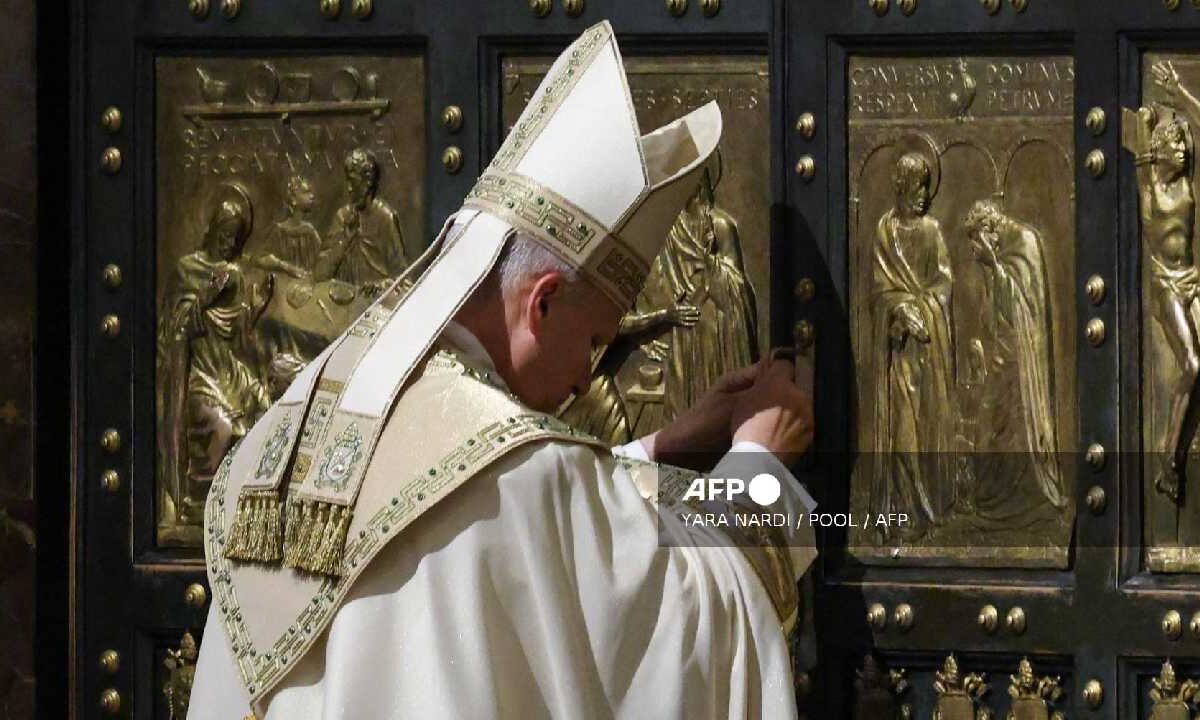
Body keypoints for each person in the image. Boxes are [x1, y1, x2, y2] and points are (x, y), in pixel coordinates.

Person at [188, 22, 816, 720]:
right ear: (542, 303)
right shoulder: (512, 469)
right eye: (594, 340)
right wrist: (761, 458)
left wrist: (659, 446)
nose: (587, 377)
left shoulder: (309, 406)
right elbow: (685, 624)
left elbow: (550, 510)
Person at [869, 151, 956, 540]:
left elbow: (943, 283)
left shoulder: (932, 230)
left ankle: (926, 506)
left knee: (924, 425)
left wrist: (923, 308)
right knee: (901, 427)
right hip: (896, 350)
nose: (923, 194)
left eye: (926, 185)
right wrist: (899, 309)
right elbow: (878, 291)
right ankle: (904, 507)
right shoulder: (884, 230)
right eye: (916, 186)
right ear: (901, 186)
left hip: (926, 347)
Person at [963, 199, 1066, 518]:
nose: (973, 249)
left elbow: (1024, 308)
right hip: (1000, 358)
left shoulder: (1024, 242)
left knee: (1005, 424)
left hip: (1021, 363)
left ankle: (1021, 497)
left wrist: (994, 264)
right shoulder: (997, 255)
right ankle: (991, 494)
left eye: (975, 239)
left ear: (988, 230)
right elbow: (992, 313)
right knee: (988, 420)